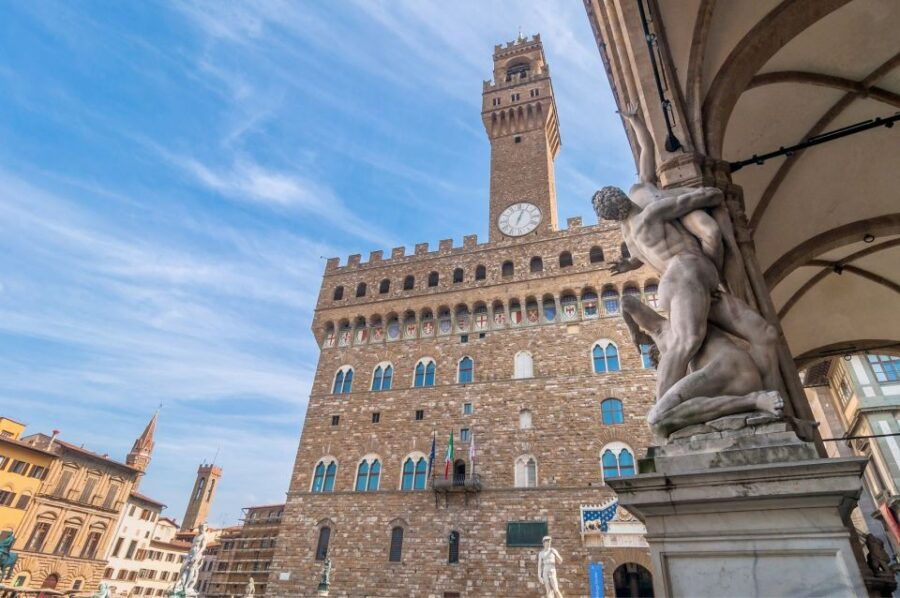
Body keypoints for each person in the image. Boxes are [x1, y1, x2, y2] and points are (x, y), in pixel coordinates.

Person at [593, 184, 781, 403]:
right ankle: (662, 411)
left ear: (612, 217)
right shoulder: (651, 214)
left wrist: (627, 265)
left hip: (700, 285)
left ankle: (770, 400)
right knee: (687, 342)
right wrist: (686, 192)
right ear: (623, 196)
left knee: (765, 334)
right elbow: (709, 197)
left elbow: (638, 258)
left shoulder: (630, 238)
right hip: (685, 277)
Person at [621, 295, 783, 439]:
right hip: (740, 374)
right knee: (668, 414)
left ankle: (753, 400)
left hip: (727, 368)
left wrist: (634, 333)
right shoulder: (668, 329)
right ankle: (754, 400)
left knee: (656, 419)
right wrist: (634, 332)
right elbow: (626, 302)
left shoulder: (664, 333)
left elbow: (626, 301)